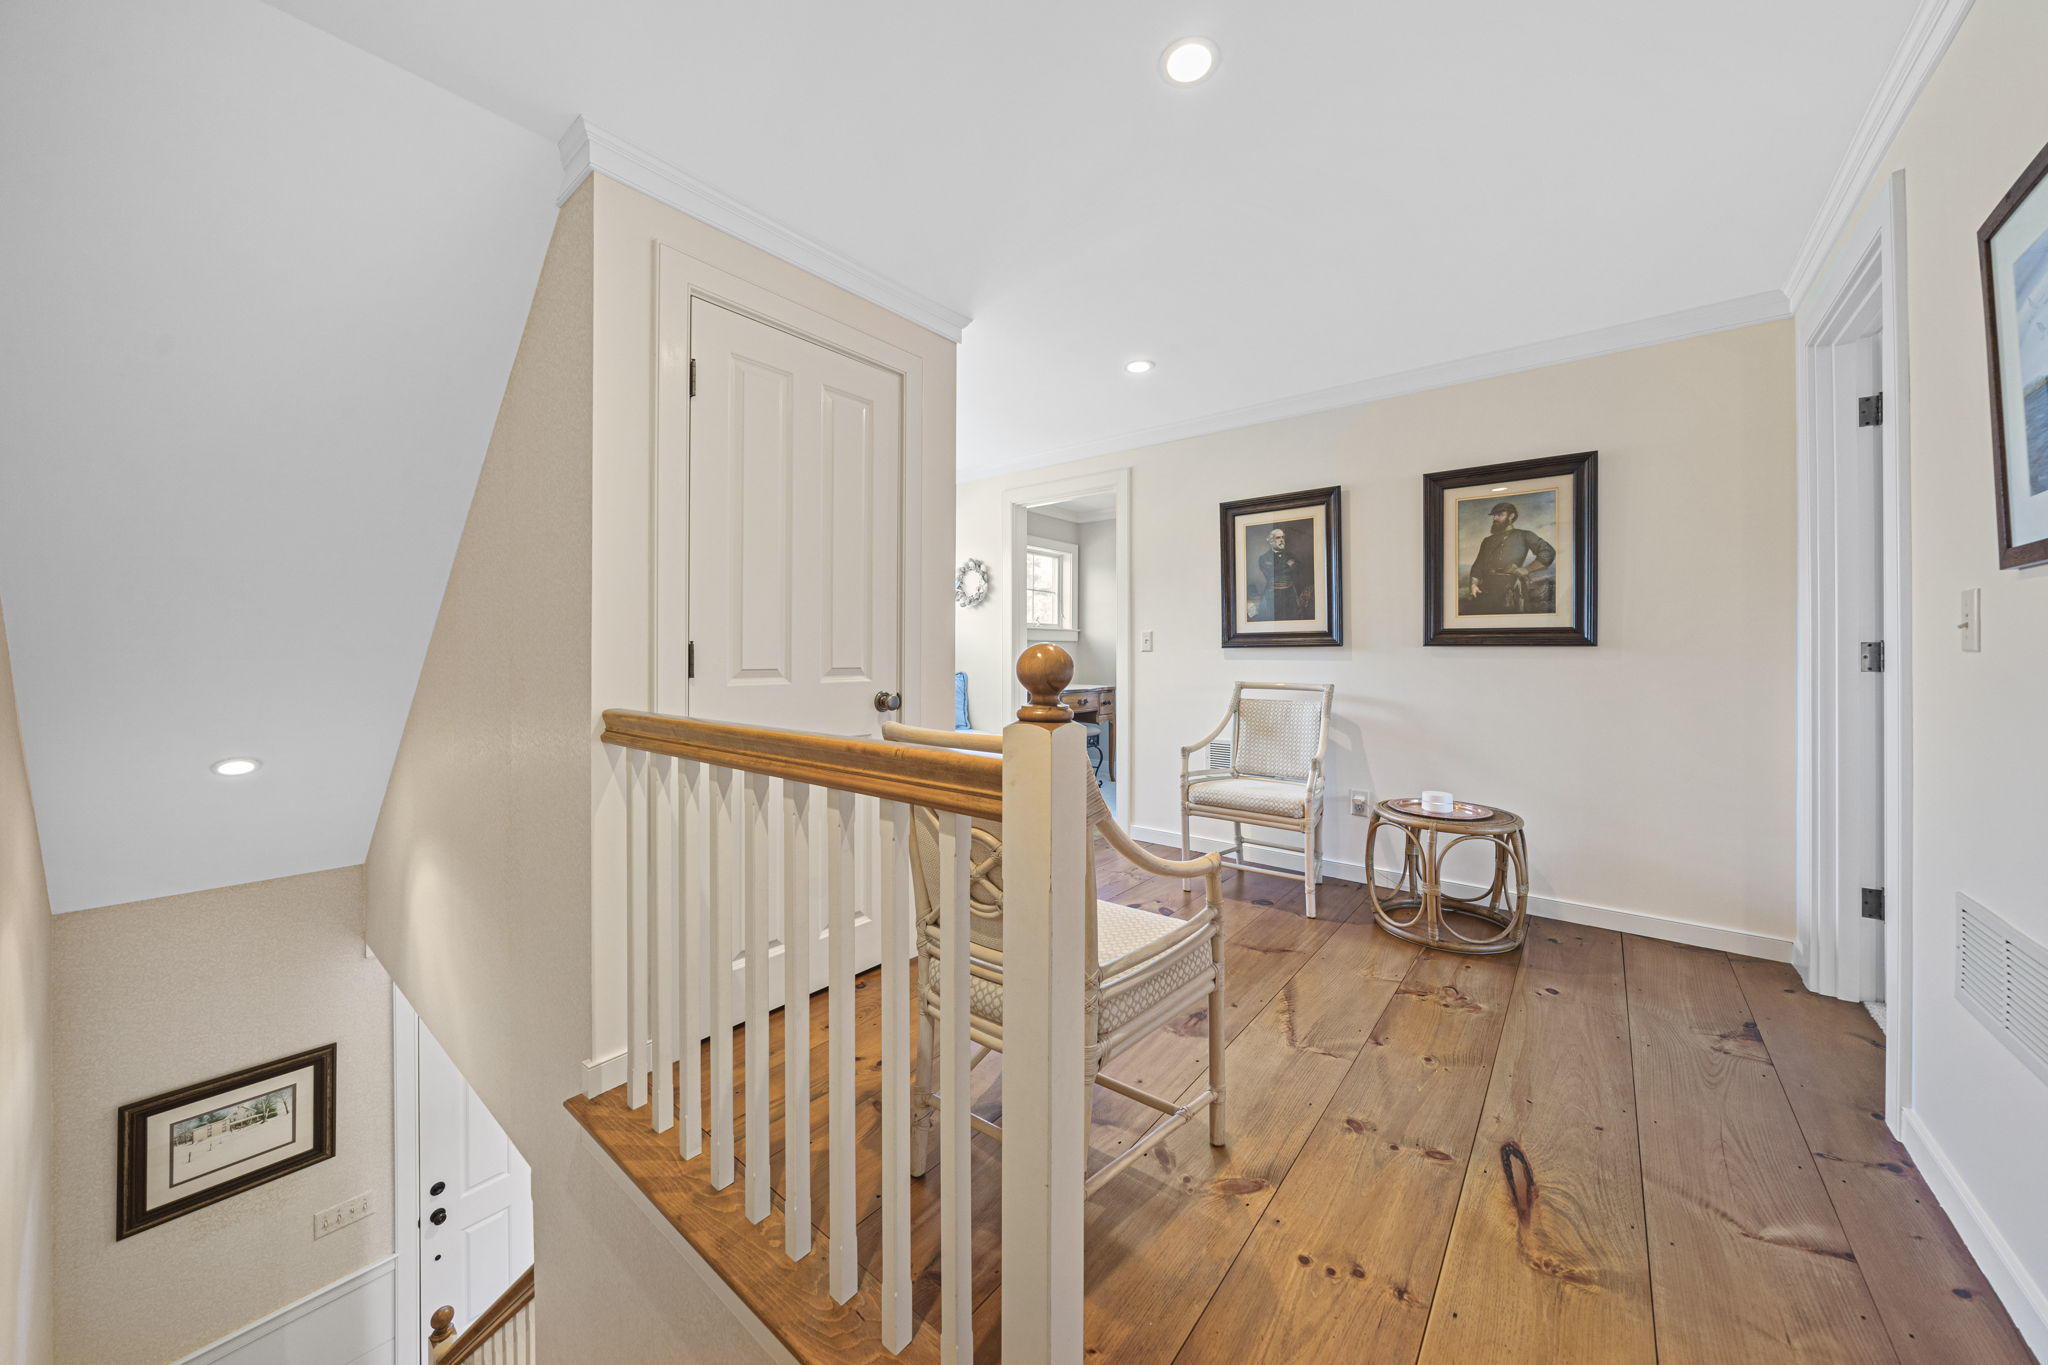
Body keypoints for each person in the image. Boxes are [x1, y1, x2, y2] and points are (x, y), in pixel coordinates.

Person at [1464, 502, 1555, 613]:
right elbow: (1478, 565)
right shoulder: (1487, 541)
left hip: (1511, 587)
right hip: (1487, 589)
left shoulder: (1524, 535)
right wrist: (1473, 585)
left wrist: (1527, 569)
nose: (1495, 518)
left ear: (1511, 516)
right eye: (1494, 515)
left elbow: (1548, 552)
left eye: (1500, 514)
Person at [1251, 525, 1314, 621]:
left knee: (1292, 619)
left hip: (1290, 593)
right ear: (1271, 541)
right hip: (1272, 595)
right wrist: (1288, 565)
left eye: (1283, 537)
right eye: (1278, 538)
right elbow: (1271, 573)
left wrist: (1278, 568)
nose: (1281, 540)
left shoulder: (1290, 554)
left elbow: (1299, 568)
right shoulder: (1263, 558)